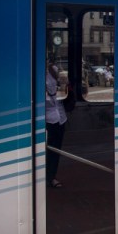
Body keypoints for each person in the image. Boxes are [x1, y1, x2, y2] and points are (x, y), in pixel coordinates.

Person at [46, 60, 68, 188]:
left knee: (55, 151)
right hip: (47, 119)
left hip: (60, 118)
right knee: (45, 150)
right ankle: (43, 177)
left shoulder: (54, 69)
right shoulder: (35, 73)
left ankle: (52, 176)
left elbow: (63, 90)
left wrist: (64, 85)